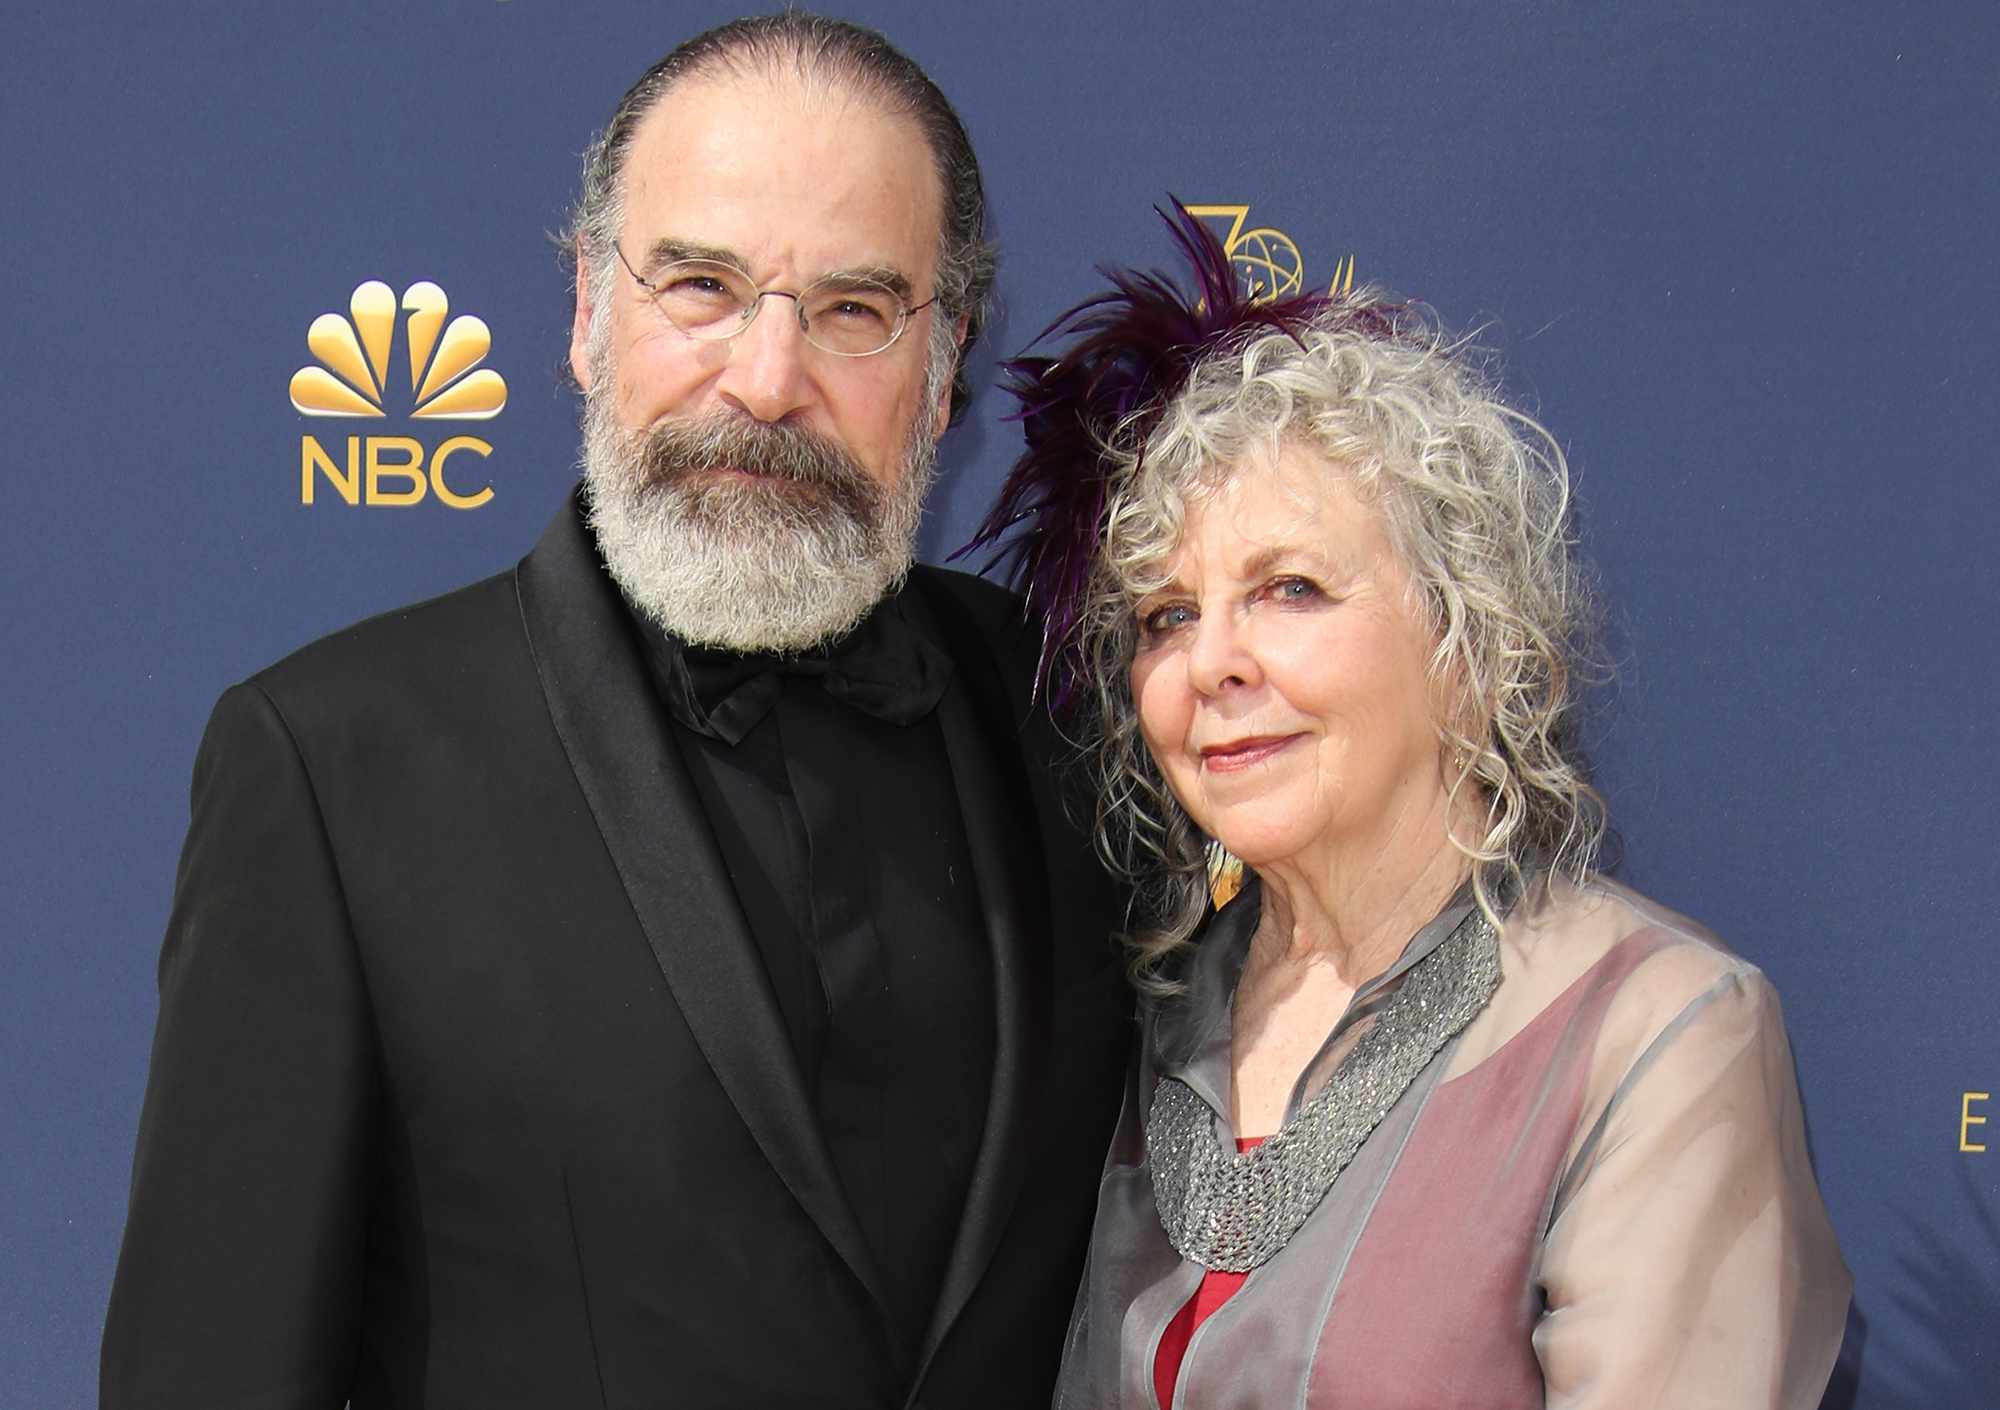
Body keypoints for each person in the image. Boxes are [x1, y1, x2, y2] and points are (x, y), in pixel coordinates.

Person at [100, 15, 1130, 1409]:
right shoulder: (332, 769)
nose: (768, 383)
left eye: (853, 309)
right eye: (701, 285)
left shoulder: (1080, 706)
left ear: (944, 367)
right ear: (588, 311)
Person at [970, 207, 1851, 1408]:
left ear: (1468, 643)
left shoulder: (1659, 1034)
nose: (1211, 662)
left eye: (1289, 588)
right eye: (1167, 614)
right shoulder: (1142, 1010)